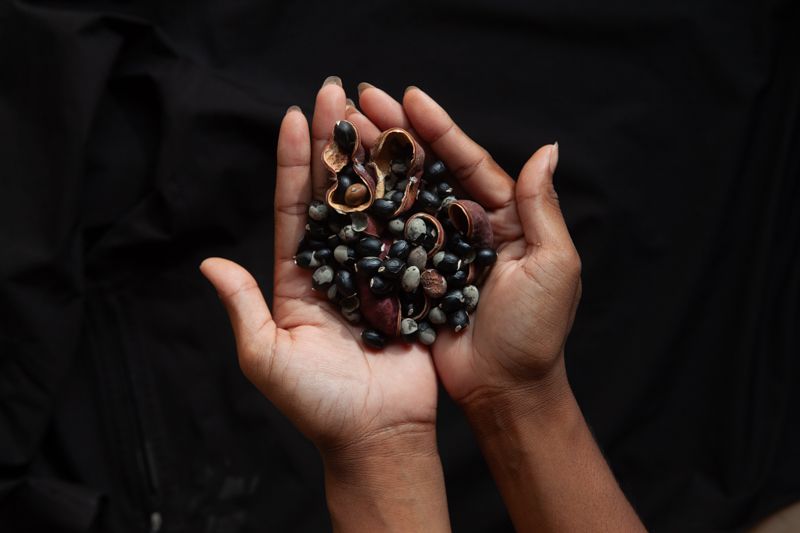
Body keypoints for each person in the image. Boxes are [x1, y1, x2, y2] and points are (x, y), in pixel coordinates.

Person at [200, 77, 647, 532]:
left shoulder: (427, 252)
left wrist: (520, 388)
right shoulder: (366, 244)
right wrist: (372, 446)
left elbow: (416, 258)